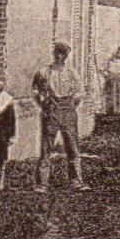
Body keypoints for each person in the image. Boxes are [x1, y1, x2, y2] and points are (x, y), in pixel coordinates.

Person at [32, 40, 89, 192]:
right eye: (57, 53)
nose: (59, 56)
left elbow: (80, 91)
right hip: (51, 110)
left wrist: (72, 103)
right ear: (54, 54)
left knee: (72, 146)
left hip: (67, 110)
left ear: (66, 56)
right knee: (46, 147)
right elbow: (35, 91)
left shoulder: (72, 73)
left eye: (63, 54)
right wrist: (43, 104)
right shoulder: (44, 72)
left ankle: (76, 181)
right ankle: (42, 183)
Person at [98, 45, 120, 120]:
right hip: (110, 81)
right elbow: (104, 70)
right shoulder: (110, 61)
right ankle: (111, 112)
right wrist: (106, 75)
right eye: (118, 52)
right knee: (111, 96)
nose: (119, 54)